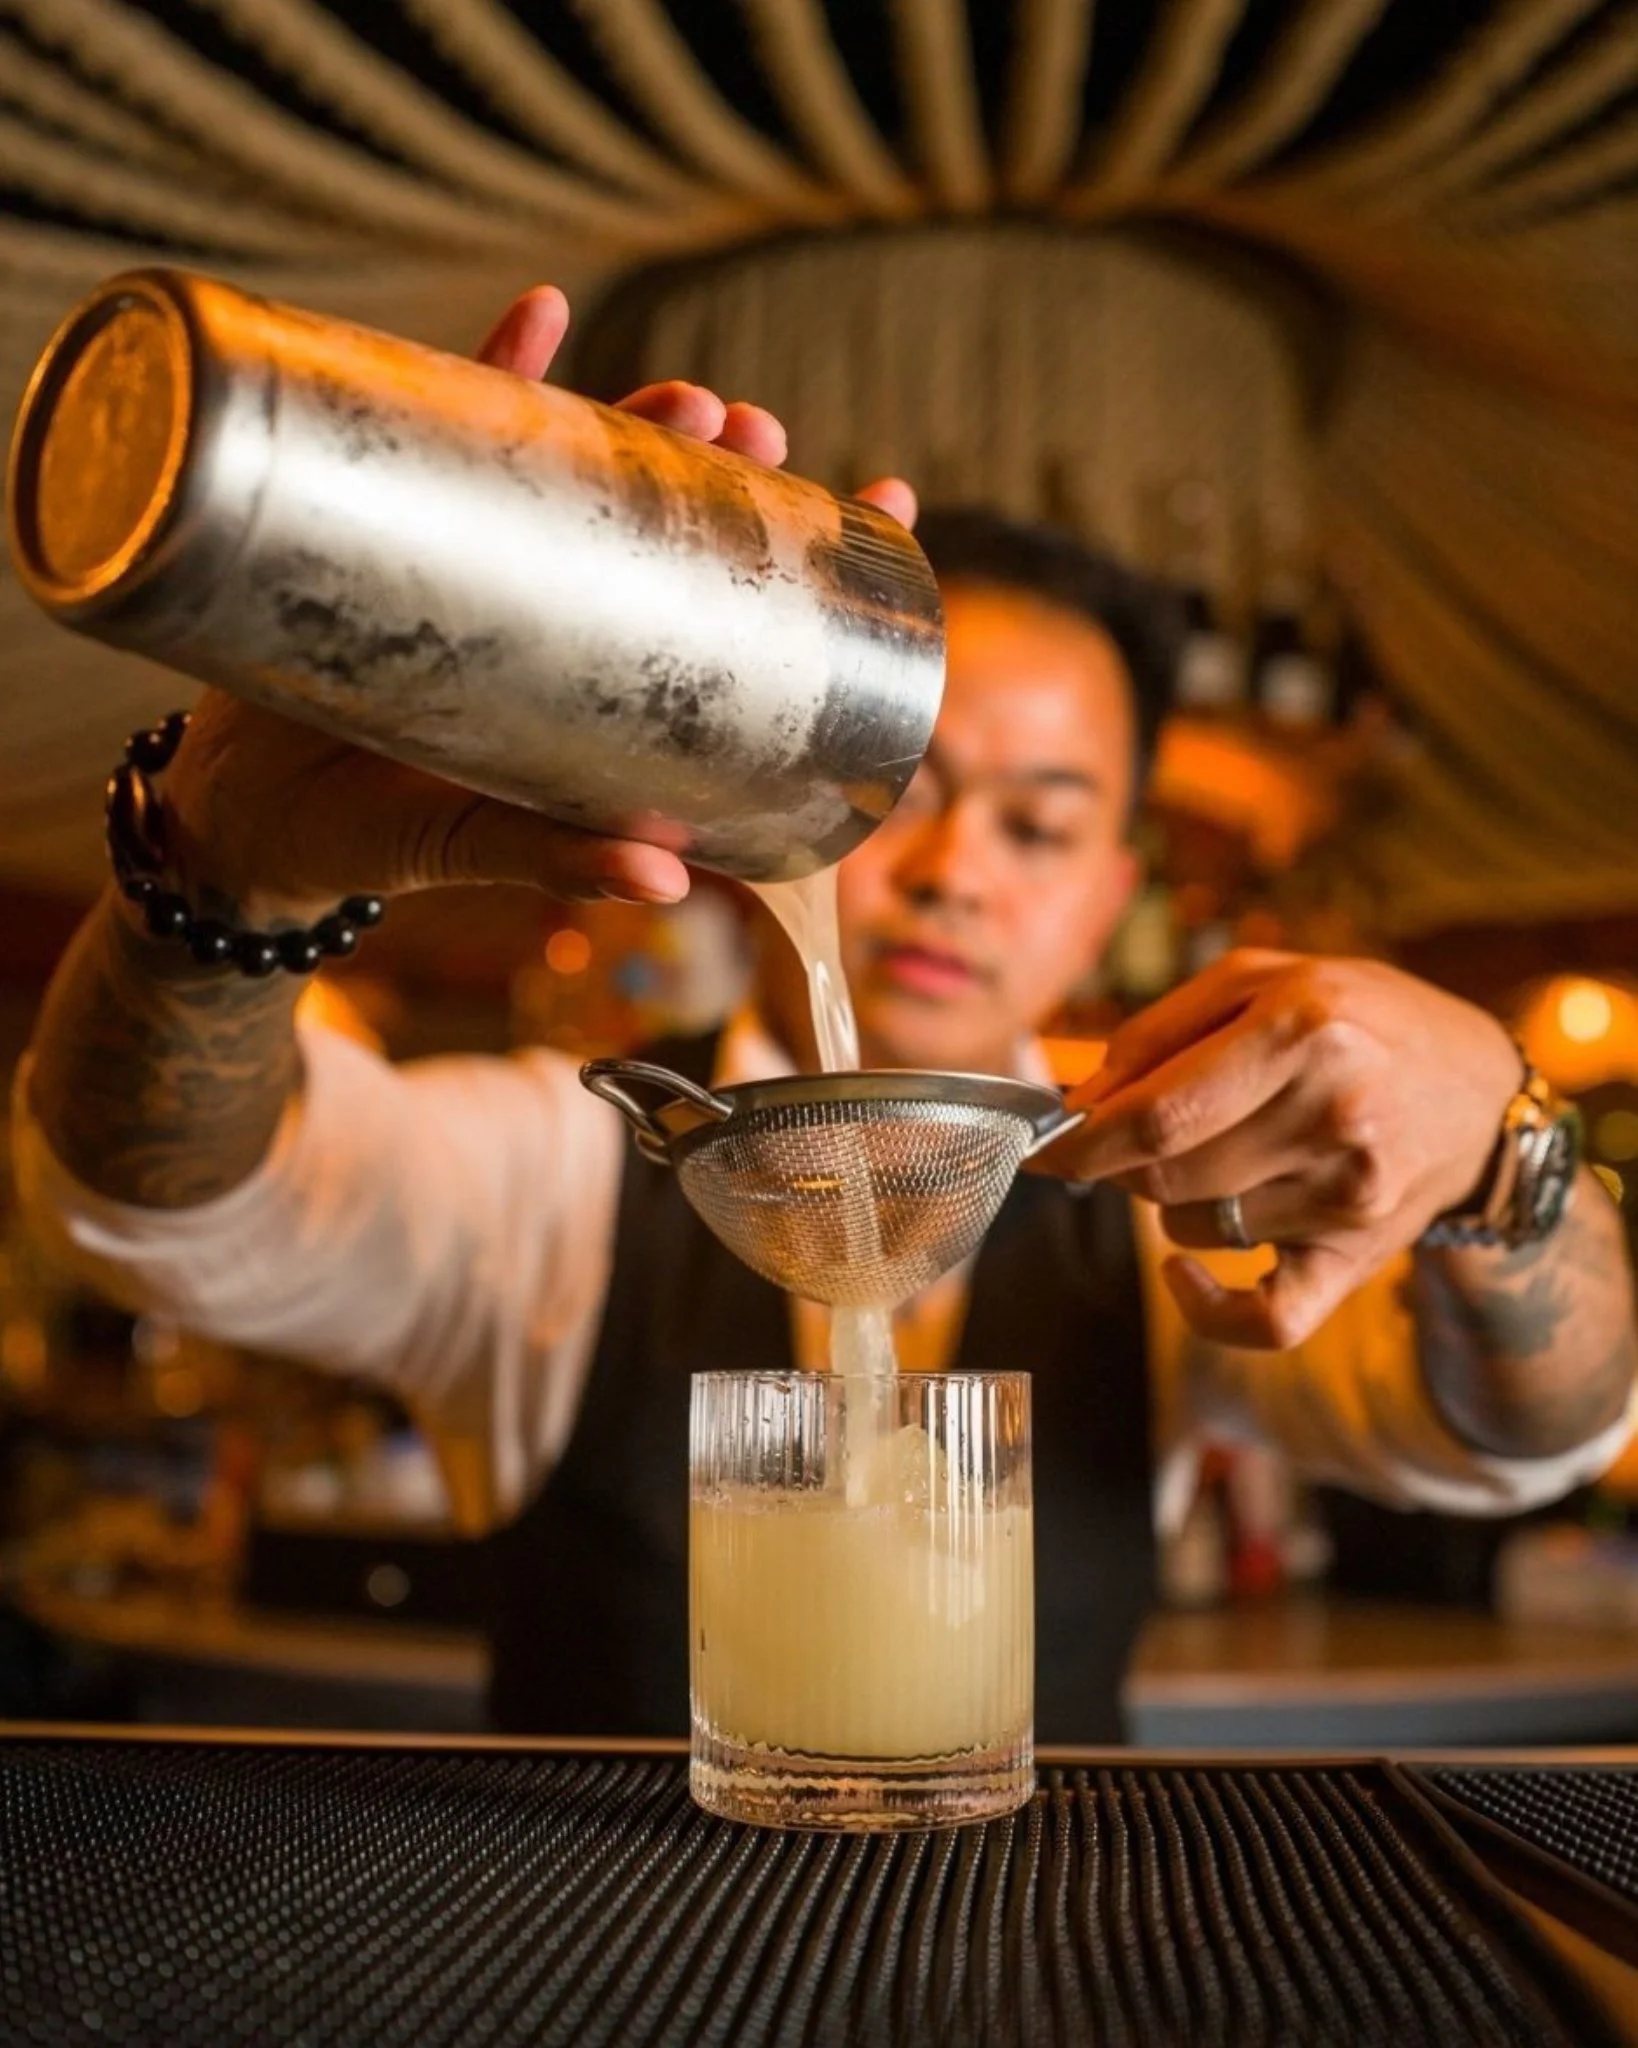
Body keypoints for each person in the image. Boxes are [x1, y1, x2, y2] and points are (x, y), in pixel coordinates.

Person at [15, 286, 1637, 1742]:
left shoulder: (1168, 1209)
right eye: (898, 789)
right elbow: (155, 1209)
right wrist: (218, 882)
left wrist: (1503, 1168)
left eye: (1038, 825)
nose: (951, 874)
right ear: (748, 800)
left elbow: (1518, 1434)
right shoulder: (559, 1171)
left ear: (1108, 893)